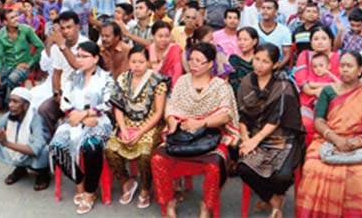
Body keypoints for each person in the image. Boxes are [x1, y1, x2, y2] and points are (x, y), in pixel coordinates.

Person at [151, 42, 239, 218]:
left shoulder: (220, 86)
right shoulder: (183, 82)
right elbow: (172, 106)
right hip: (182, 135)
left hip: (210, 136)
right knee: (158, 158)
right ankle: (169, 202)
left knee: (215, 165)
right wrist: (172, 120)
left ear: (210, 64)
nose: (193, 64)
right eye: (191, 60)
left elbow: (225, 115)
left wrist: (202, 123)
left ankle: (206, 205)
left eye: (199, 61)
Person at [295, 52, 362, 218]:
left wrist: (358, 141)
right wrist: (336, 139)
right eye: (342, 66)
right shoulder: (329, 91)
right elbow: (319, 121)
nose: (344, 70)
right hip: (328, 139)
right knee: (313, 169)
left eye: (349, 66)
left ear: (360, 70)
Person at [236, 43, 305, 218]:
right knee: (243, 168)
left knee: (282, 176)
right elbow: (242, 115)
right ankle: (273, 200)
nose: (259, 65)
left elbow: (276, 119)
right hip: (254, 134)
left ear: (275, 65)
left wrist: (254, 141)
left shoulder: (283, 86)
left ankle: (273, 198)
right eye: (257, 59)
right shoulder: (246, 82)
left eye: (265, 62)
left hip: (283, 137)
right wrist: (245, 139)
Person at [48, 41, 113, 215]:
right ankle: (80, 183)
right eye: (78, 55)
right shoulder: (73, 77)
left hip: (98, 120)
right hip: (73, 119)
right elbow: (64, 101)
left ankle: (90, 193)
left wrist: (84, 115)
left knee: (91, 146)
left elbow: (109, 103)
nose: (80, 59)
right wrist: (75, 116)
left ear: (95, 58)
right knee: (56, 147)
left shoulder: (106, 78)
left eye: (84, 56)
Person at [105, 45, 168, 209]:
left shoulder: (157, 80)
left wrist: (140, 132)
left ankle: (146, 188)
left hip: (149, 125)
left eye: (141, 61)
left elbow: (158, 113)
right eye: (134, 61)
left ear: (148, 62)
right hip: (127, 123)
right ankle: (126, 182)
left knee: (146, 151)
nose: (137, 65)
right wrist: (123, 128)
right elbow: (118, 107)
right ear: (129, 62)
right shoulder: (123, 78)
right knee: (110, 149)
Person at [0, 87, 51, 190]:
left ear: (26, 105)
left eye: (15, 102)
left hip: (34, 153)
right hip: (19, 150)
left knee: (43, 150)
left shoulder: (36, 119)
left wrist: (6, 143)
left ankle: (43, 174)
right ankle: (21, 168)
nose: (10, 105)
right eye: (10, 101)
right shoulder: (10, 115)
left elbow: (34, 150)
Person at [38, 11, 89, 133]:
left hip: (83, 94)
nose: (66, 31)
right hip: (64, 93)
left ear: (77, 27)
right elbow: (56, 73)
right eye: (62, 28)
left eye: (69, 27)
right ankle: (51, 142)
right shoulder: (58, 48)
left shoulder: (86, 45)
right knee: (43, 110)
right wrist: (56, 93)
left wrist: (62, 47)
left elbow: (79, 67)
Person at [0, 9, 45, 110]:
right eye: (12, 18)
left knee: (12, 78)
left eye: (16, 16)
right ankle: (4, 97)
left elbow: (40, 46)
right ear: (5, 22)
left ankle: (8, 102)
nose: (16, 19)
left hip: (23, 66)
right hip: (8, 64)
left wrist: (30, 63)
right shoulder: (1, 34)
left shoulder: (26, 30)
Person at [253, 0, 292, 69]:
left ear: (276, 11)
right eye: (263, 8)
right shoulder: (254, 29)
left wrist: (276, 67)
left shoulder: (284, 31)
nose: (265, 10)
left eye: (269, 8)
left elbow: (287, 55)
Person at [148, 21, 183, 90]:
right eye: (160, 36)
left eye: (167, 36)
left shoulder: (175, 49)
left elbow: (178, 71)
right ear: (153, 36)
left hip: (170, 87)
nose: (163, 39)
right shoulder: (148, 50)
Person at [228, 27, 259, 94]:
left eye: (245, 40)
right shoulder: (234, 59)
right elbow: (232, 81)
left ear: (254, 41)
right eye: (239, 39)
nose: (242, 43)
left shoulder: (259, 60)